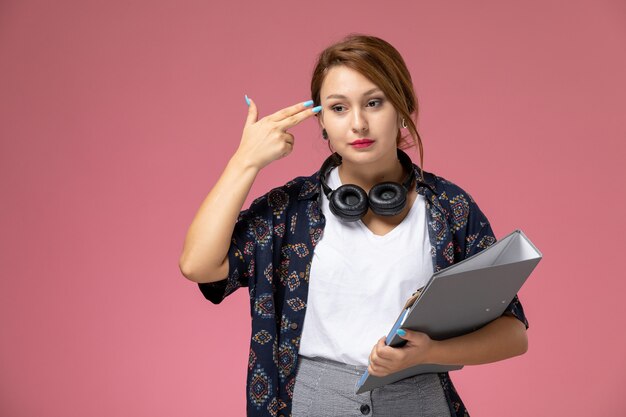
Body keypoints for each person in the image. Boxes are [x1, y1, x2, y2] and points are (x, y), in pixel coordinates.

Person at [179, 34, 529, 417]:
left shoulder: (449, 207)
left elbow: (513, 333)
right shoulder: (291, 210)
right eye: (339, 108)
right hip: (313, 403)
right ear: (323, 122)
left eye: (374, 103)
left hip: (420, 401)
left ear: (403, 108)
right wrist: (244, 162)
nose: (358, 123)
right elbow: (198, 265)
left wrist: (431, 353)